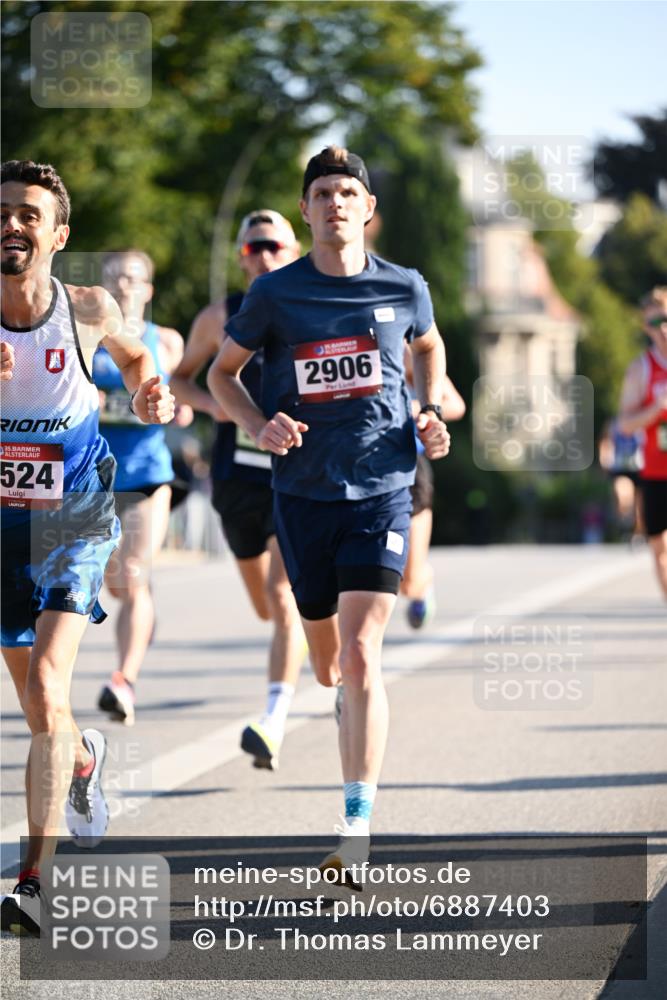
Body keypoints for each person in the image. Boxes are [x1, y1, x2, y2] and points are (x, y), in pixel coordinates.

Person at [207, 146, 450, 882]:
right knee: (326, 666)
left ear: (366, 209)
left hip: (381, 486)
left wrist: (429, 408)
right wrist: (258, 424)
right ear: (307, 210)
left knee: (361, 652)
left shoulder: (404, 285)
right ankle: (335, 692)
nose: (336, 203)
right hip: (302, 495)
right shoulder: (277, 294)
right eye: (322, 193)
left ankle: (355, 827)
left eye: (348, 191)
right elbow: (222, 375)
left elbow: (430, 345)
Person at [0, 159, 174, 935]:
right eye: (1, 211)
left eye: (28, 214)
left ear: (57, 234)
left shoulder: (89, 307)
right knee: (44, 707)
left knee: (46, 680)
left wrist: (148, 389)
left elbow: (139, 359)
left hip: (73, 510)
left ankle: (35, 880)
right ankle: (79, 760)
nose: (11, 224)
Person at [170, 210, 304, 769]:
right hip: (236, 479)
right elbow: (181, 377)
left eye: (274, 246)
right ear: (241, 257)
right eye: (253, 248)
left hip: (294, 473)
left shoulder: (310, 307)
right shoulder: (219, 316)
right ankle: (309, 646)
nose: (263, 255)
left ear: (293, 250)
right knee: (265, 606)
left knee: (282, 597)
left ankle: (273, 719)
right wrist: (217, 408)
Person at [93, 250, 191, 726]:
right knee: (117, 583)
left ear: (148, 289)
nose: (123, 285)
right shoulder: (83, 339)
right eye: (113, 277)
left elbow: (184, 395)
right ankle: (141, 616)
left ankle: (123, 681)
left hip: (149, 473)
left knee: (131, 571)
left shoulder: (167, 342)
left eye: (133, 278)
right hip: (92, 478)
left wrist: (178, 407)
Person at [401, 352, 466, 628]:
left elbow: (455, 405)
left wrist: (410, 407)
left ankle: (423, 584)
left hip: (409, 470)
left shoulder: (406, 348)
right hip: (356, 468)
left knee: (409, 582)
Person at [618, 287, 667, 601]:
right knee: (659, 548)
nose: (662, 328)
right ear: (645, 327)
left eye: (666, 319)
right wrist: (656, 409)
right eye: (655, 322)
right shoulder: (641, 369)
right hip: (656, 470)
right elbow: (625, 423)